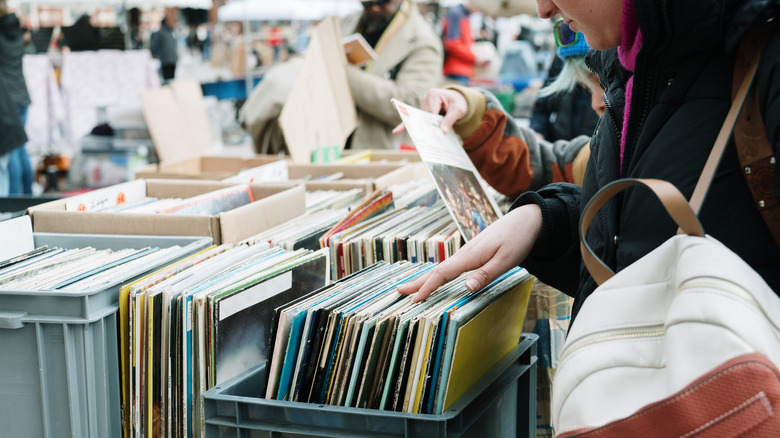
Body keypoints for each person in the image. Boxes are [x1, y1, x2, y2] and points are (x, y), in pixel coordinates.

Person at [398, 0, 780, 327]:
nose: (543, 9)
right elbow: (631, 235)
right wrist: (544, 220)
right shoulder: (635, 72)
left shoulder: (759, 62)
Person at [240, 0, 443, 154]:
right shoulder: (349, 21)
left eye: (382, 2)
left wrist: (340, 71)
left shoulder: (423, 42)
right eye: (366, 2)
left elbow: (410, 104)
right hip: (327, 142)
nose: (373, 8)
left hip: (375, 151)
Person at [530, 20, 599, 142]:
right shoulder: (560, 62)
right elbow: (541, 107)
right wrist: (538, 133)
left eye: (590, 78)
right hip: (559, 149)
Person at [0, 0, 33, 195]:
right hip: (22, 95)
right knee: (19, 147)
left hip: (6, 100)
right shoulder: (17, 31)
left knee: (10, 148)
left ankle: (12, 200)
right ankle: (27, 194)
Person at [440, 1, 482, 84]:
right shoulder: (456, 13)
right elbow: (452, 43)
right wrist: (474, 58)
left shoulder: (464, 15)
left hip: (464, 69)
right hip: (457, 70)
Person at [151, 15, 178, 83]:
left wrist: (155, 53)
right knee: (172, 77)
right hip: (173, 58)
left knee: (166, 78)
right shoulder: (171, 32)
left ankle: (169, 90)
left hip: (165, 58)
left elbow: (156, 45)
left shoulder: (160, 32)